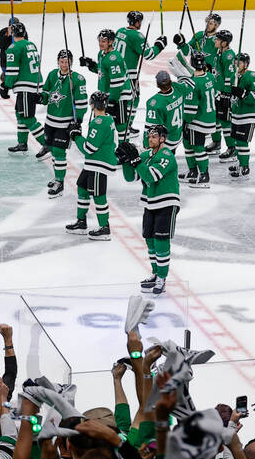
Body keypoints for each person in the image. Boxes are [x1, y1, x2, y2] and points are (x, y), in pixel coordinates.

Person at [118, 125, 181, 295]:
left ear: (162, 138)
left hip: (167, 202)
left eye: (154, 136)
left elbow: (150, 176)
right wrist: (125, 161)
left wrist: (136, 161)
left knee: (161, 242)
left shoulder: (167, 155)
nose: (150, 139)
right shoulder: (146, 155)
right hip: (150, 203)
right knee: (150, 241)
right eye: (149, 136)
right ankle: (155, 273)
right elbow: (131, 177)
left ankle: (162, 277)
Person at [65, 91, 117, 241]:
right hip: (94, 163)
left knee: (98, 195)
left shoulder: (99, 122)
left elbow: (88, 148)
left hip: (98, 164)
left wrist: (76, 136)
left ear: (92, 104)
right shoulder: (107, 119)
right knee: (81, 186)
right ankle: (81, 222)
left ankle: (104, 228)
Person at [40, 49, 88, 200]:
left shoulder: (78, 79)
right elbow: (46, 92)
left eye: (66, 61)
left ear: (71, 62)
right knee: (53, 151)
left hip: (64, 123)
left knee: (60, 153)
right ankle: (57, 177)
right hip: (50, 120)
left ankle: (60, 183)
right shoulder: (52, 74)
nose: (64, 64)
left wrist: (77, 120)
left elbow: (82, 102)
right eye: (61, 61)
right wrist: (40, 97)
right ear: (58, 62)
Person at [114, 11, 166, 136]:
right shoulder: (137, 36)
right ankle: (127, 126)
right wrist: (159, 45)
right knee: (133, 99)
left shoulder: (120, 31)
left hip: (115, 71)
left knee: (117, 99)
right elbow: (149, 54)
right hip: (129, 75)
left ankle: (116, 124)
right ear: (137, 22)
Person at [1, 19, 45, 155]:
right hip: (34, 83)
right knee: (20, 114)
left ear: (12, 34)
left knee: (27, 117)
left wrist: (5, 86)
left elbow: (12, 70)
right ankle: (22, 143)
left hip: (26, 86)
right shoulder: (31, 44)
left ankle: (46, 143)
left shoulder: (14, 48)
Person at [80, 29, 131, 139]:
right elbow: (102, 71)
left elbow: (118, 83)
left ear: (111, 42)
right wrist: (90, 64)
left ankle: (125, 147)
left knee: (120, 124)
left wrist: (112, 101)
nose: (101, 43)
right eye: (100, 40)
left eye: (104, 41)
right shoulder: (101, 54)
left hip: (120, 96)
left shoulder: (114, 58)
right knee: (101, 121)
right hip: (107, 95)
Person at [176, 52, 217, 189]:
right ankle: (193, 172)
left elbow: (191, 108)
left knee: (198, 148)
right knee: (188, 144)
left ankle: (204, 175)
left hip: (197, 121)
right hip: (209, 118)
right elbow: (215, 93)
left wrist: (185, 122)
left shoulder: (193, 83)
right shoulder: (210, 77)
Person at [227, 52, 255, 180]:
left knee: (242, 142)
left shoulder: (252, 76)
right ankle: (240, 162)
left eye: (239, 62)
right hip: (236, 114)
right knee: (236, 141)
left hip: (248, 115)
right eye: (235, 62)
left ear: (246, 64)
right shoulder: (233, 77)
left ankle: (245, 167)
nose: (236, 64)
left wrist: (242, 93)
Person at [209, 30, 236, 156]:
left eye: (218, 39)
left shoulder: (229, 56)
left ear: (224, 43)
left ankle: (232, 148)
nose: (216, 41)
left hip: (223, 94)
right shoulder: (219, 53)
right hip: (216, 93)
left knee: (225, 121)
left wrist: (226, 94)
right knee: (214, 119)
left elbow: (229, 77)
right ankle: (216, 143)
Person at [145, 70, 185, 157]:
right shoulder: (179, 90)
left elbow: (152, 127)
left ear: (157, 84)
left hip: (166, 142)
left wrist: (146, 144)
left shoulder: (154, 103)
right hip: (177, 136)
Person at [174, 13, 222, 78]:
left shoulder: (218, 40)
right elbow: (187, 52)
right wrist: (182, 44)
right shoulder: (199, 35)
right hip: (194, 73)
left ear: (216, 26)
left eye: (210, 24)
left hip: (210, 76)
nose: (207, 25)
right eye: (207, 22)